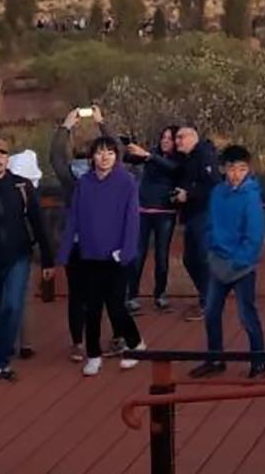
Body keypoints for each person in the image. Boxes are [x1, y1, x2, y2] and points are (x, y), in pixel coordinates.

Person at [0, 138, 55, 381]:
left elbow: (39, 224)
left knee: (13, 305)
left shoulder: (21, 187)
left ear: (8, 157)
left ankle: (2, 356)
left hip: (18, 256)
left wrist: (48, 259)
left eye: (1, 154)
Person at [58, 136, 146, 376]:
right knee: (92, 308)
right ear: (92, 157)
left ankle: (135, 343)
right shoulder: (84, 183)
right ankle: (94, 355)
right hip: (90, 255)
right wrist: (65, 252)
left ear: (116, 156)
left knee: (116, 305)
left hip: (117, 257)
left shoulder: (126, 182)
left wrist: (126, 251)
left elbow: (132, 219)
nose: (104, 157)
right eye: (99, 152)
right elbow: (73, 219)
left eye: (109, 152)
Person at [190, 145, 265, 379]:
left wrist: (239, 261)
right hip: (218, 261)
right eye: (232, 169)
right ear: (223, 169)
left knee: (247, 315)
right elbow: (210, 224)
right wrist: (210, 249)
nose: (236, 175)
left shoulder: (251, 197)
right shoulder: (217, 193)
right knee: (212, 312)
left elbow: (254, 235)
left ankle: (259, 362)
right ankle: (215, 358)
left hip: (241, 266)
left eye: (242, 169)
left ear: (248, 170)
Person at [51, 105, 121, 360]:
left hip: (78, 244)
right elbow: (119, 152)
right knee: (110, 292)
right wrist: (102, 123)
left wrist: (66, 126)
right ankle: (116, 337)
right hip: (103, 242)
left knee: (77, 294)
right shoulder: (106, 175)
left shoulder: (70, 177)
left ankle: (79, 343)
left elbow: (56, 157)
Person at [125, 126, 182, 313]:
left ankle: (160, 294)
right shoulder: (152, 153)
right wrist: (127, 147)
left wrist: (149, 156)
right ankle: (131, 295)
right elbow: (129, 157)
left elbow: (173, 169)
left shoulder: (179, 159)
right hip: (143, 211)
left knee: (161, 255)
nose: (165, 141)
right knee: (138, 254)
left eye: (169, 138)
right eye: (163, 137)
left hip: (165, 213)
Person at [174, 124, 220, 322]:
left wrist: (189, 194)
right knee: (190, 259)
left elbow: (213, 185)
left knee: (202, 258)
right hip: (192, 214)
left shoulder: (205, 156)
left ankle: (209, 301)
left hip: (205, 213)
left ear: (193, 137)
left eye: (181, 137)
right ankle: (207, 296)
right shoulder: (188, 158)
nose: (177, 142)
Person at [7, 149, 43, 359]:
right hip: (24, 246)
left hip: (22, 248)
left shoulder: (21, 191)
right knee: (20, 297)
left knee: (14, 297)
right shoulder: (28, 190)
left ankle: (16, 341)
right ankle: (23, 342)